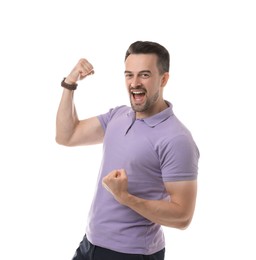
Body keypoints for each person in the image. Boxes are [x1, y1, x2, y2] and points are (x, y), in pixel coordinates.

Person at [56, 41, 200, 260]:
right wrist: (70, 83)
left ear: (164, 79)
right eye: (129, 75)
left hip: (131, 254)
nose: (134, 83)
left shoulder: (177, 138)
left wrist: (125, 197)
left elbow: (183, 216)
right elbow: (66, 135)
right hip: (91, 244)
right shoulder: (119, 116)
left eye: (144, 75)